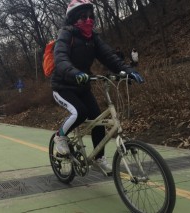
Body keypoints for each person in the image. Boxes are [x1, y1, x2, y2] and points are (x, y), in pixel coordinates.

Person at [51, 0, 144, 173]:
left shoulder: (93, 38)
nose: (88, 20)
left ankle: (98, 158)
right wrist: (74, 73)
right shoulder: (66, 34)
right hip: (62, 86)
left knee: (98, 120)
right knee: (80, 112)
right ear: (73, 20)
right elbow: (60, 59)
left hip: (83, 86)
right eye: (82, 17)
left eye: (90, 16)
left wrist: (128, 70)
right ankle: (60, 137)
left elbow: (109, 57)